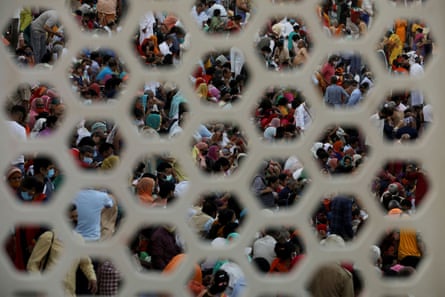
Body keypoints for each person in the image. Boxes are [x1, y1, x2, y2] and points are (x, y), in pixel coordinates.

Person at [26, 230, 97, 297]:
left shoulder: (79, 239)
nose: (74, 217)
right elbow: (32, 264)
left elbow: (85, 263)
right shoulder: (49, 237)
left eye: (76, 216)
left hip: (69, 292)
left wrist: (92, 277)